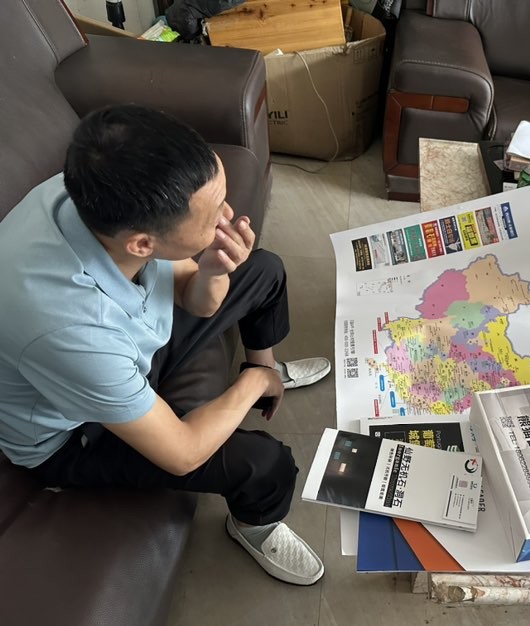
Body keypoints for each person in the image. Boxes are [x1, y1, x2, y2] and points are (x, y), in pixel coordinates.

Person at [0, 104, 330, 586]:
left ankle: (267, 367)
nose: (228, 216)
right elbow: (183, 452)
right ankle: (254, 526)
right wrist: (253, 383)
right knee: (266, 463)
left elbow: (195, 298)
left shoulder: (91, 191)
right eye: (213, 215)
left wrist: (213, 269)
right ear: (142, 244)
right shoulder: (70, 329)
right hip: (74, 432)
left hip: (125, 351)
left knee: (264, 270)